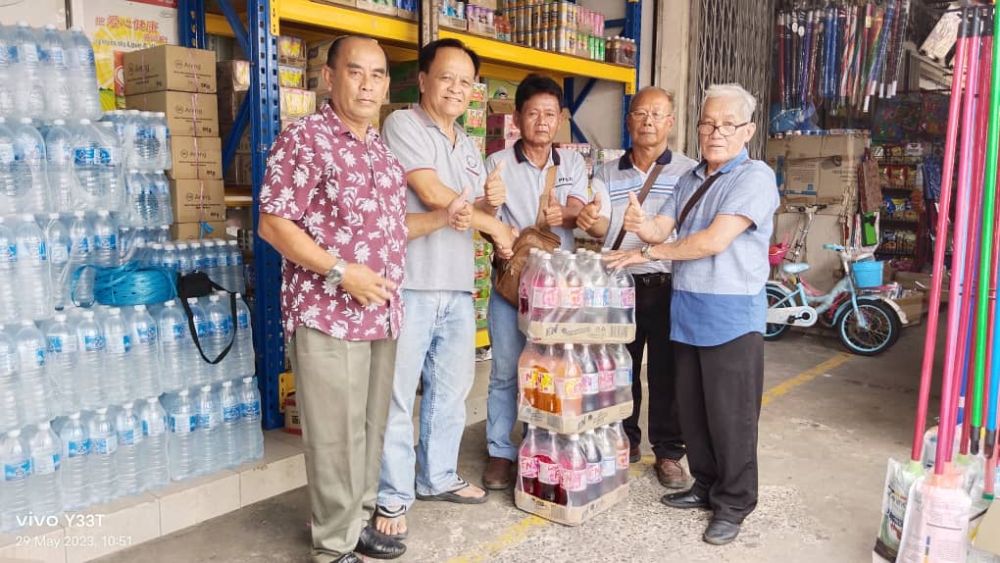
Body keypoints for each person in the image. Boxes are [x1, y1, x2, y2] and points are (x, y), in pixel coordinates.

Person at [258, 35, 472, 563]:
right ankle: (333, 546)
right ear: (330, 78)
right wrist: (339, 271)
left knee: (371, 429)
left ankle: (356, 523)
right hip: (328, 313)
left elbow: (393, 227)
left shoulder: (378, 147)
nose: (369, 84)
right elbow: (272, 222)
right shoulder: (304, 138)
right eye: (357, 72)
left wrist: (444, 217)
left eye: (378, 75)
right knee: (334, 436)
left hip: (381, 312)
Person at [606, 83, 779, 546]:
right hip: (687, 314)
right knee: (695, 414)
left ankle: (735, 502)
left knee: (731, 418)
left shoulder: (754, 178)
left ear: (748, 130)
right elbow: (665, 223)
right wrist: (640, 225)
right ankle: (704, 486)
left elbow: (712, 241)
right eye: (707, 122)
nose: (715, 131)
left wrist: (651, 249)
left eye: (727, 124)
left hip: (731, 319)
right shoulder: (691, 177)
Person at [375, 38, 518, 540]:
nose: (457, 89)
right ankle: (392, 497)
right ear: (423, 79)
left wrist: (493, 204)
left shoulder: (467, 143)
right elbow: (435, 196)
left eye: (466, 82)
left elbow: (472, 213)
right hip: (410, 284)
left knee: (450, 392)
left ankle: (436, 476)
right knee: (396, 396)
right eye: (447, 77)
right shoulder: (402, 125)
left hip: (458, 286)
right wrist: (495, 226)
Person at [577, 86, 696, 490]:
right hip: (618, 286)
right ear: (629, 120)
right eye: (641, 113)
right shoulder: (608, 171)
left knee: (667, 373)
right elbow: (598, 226)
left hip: (668, 285)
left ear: (670, 122)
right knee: (619, 369)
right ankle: (624, 441)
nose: (648, 121)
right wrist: (588, 218)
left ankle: (669, 452)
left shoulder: (690, 171)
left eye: (657, 114)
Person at [480, 74, 590, 489]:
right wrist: (497, 236)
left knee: (545, 370)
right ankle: (499, 453)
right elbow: (484, 217)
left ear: (560, 119)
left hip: (555, 294)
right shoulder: (498, 163)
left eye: (550, 114)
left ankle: (534, 444)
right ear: (517, 117)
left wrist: (564, 213)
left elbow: (579, 211)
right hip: (510, 286)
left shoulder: (573, 164)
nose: (542, 122)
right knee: (506, 371)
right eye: (533, 113)